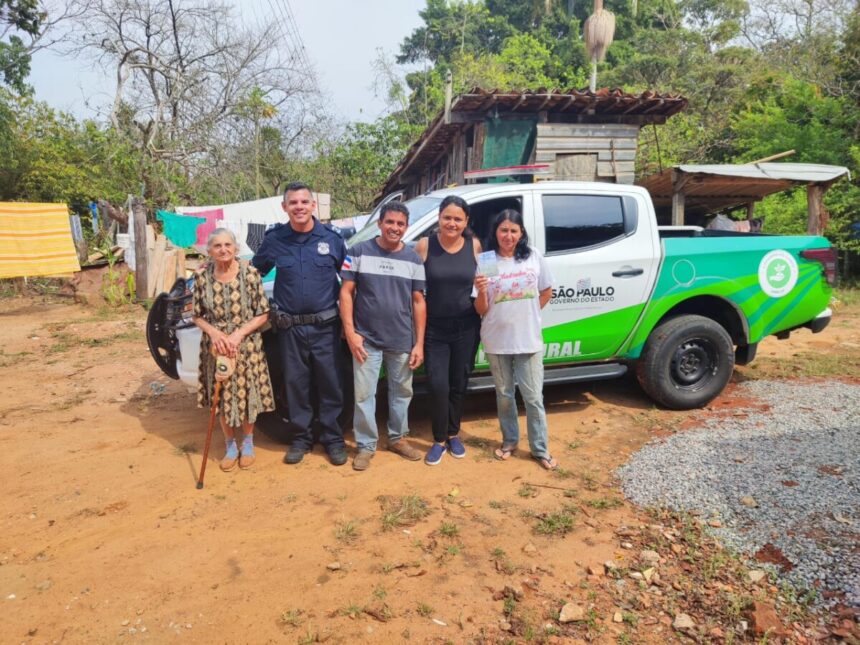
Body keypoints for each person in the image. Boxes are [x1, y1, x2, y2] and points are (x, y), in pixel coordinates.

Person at [252, 182, 349, 466]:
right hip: (290, 328)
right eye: (293, 203)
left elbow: (349, 280)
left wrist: (349, 322)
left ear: (313, 205)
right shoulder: (274, 239)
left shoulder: (331, 238)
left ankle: (333, 440)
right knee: (296, 385)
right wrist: (217, 267)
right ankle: (301, 440)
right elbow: (254, 272)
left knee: (330, 384)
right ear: (285, 207)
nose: (299, 207)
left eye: (304, 202)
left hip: (326, 327)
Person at [339, 202, 427, 471]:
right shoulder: (359, 252)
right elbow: (345, 293)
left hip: (402, 339)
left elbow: (419, 301)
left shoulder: (413, 259)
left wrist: (419, 343)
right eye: (390, 222)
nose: (395, 228)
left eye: (400, 224)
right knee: (364, 395)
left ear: (406, 227)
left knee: (402, 392)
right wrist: (351, 333)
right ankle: (365, 446)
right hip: (367, 339)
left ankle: (398, 439)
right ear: (379, 224)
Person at [474, 209, 558, 470]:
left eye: (513, 230)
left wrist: (528, 314)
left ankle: (540, 449)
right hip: (496, 338)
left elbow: (546, 291)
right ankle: (509, 441)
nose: (508, 235)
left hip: (528, 338)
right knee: (505, 395)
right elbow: (481, 308)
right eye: (503, 230)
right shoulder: (486, 259)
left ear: (521, 233)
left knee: (533, 397)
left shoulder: (533, 256)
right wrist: (481, 292)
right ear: (495, 232)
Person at [192, 228, 275, 471]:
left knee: (247, 394)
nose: (223, 250)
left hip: (246, 344)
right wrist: (215, 333)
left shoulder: (250, 274)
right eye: (217, 246)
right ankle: (230, 445)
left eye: (228, 245)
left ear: (236, 248)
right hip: (216, 347)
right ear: (209, 251)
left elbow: (263, 312)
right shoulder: (201, 278)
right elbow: (196, 315)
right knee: (221, 395)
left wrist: (238, 334)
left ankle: (248, 443)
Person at [414, 195, 482, 466]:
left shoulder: (475, 246)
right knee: (437, 384)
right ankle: (439, 439)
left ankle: (454, 434)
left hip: (467, 327)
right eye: (447, 217)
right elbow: (416, 292)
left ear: (466, 222)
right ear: (439, 218)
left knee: (458, 383)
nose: (452, 223)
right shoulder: (424, 246)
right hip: (435, 329)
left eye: (458, 219)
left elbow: (483, 284)